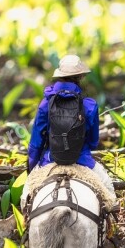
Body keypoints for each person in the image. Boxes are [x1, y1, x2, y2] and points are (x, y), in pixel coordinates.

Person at [26, 55, 114, 194]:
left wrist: (31, 168)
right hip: (82, 161)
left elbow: (36, 143)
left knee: (27, 196)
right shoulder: (89, 105)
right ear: (80, 77)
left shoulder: (45, 104)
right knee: (108, 191)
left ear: (59, 76)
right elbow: (93, 142)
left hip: (49, 161)